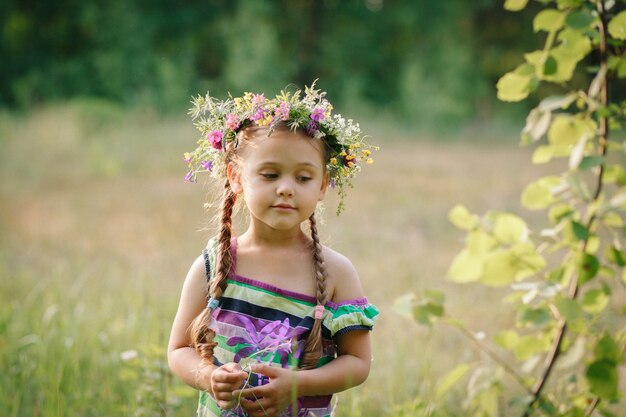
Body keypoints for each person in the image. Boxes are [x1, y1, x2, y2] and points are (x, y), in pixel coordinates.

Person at [168, 83, 379, 417]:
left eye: (304, 178)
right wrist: (209, 376)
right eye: (269, 174)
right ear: (236, 177)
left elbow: (357, 362)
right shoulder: (214, 265)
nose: (285, 189)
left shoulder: (337, 272)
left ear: (323, 185)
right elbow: (179, 349)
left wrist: (298, 384)